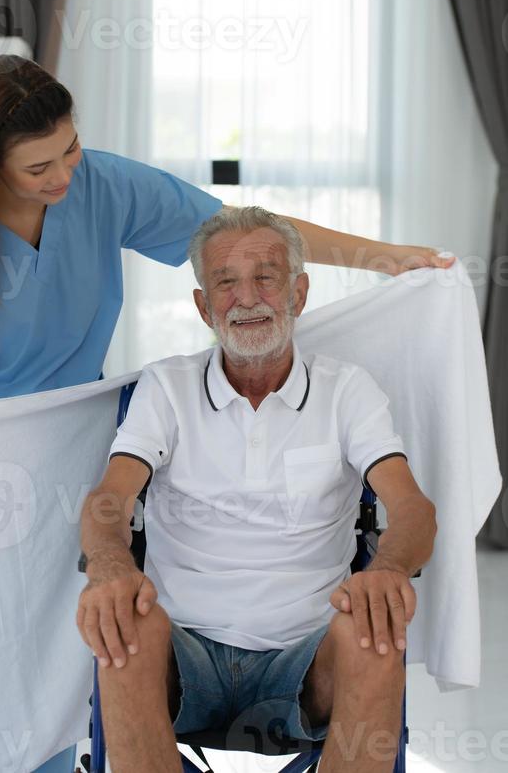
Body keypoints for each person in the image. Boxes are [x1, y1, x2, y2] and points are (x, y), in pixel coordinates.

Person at [0, 56, 448, 773]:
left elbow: (239, 234)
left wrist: (385, 259)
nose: (63, 177)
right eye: (38, 166)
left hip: (77, 444)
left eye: (69, 149)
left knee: (69, 661)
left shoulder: (101, 186)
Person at [77, 206, 437, 773]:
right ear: (203, 306)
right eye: (226, 282)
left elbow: (412, 507)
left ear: (298, 292)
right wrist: (108, 564)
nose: (247, 299)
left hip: (307, 655)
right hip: (183, 650)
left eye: (265, 278)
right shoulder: (167, 387)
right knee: (126, 624)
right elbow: (109, 501)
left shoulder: (348, 390)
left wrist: (387, 571)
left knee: (374, 631)